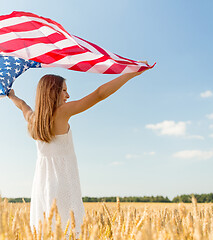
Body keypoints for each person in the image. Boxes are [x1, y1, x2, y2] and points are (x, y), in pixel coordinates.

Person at [8, 62, 150, 236]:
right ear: (53, 92)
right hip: (64, 179)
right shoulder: (62, 112)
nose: (68, 95)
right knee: (70, 228)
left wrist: (11, 95)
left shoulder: (34, 119)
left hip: (42, 183)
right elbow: (99, 94)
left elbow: (23, 106)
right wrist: (131, 73)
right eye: (64, 90)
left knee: (47, 228)